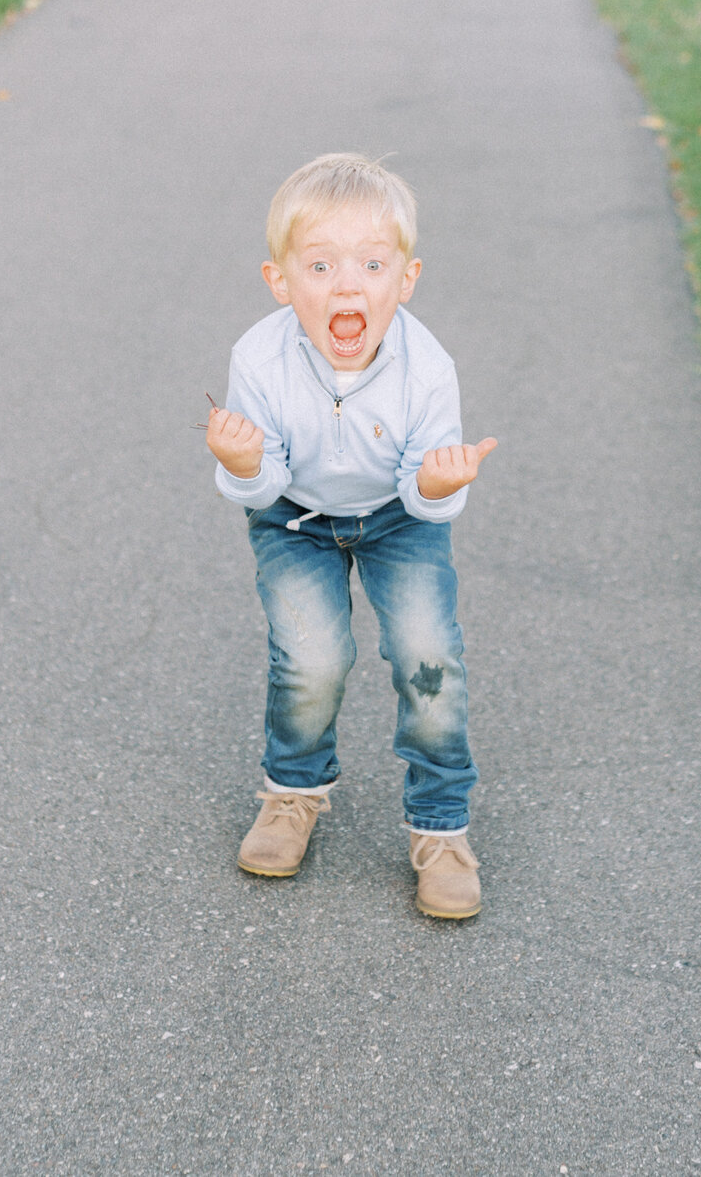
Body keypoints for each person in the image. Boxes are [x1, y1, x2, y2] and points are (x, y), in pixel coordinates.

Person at [204, 153, 498, 920]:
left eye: (372, 264)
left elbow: (424, 491)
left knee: (428, 655)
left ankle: (442, 829)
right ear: (280, 281)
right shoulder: (258, 359)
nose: (347, 285)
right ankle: (292, 791)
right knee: (312, 654)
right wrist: (241, 461)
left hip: (400, 517)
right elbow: (259, 482)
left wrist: (437, 484)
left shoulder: (427, 369)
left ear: (406, 279)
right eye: (322, 264)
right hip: (293, 516)